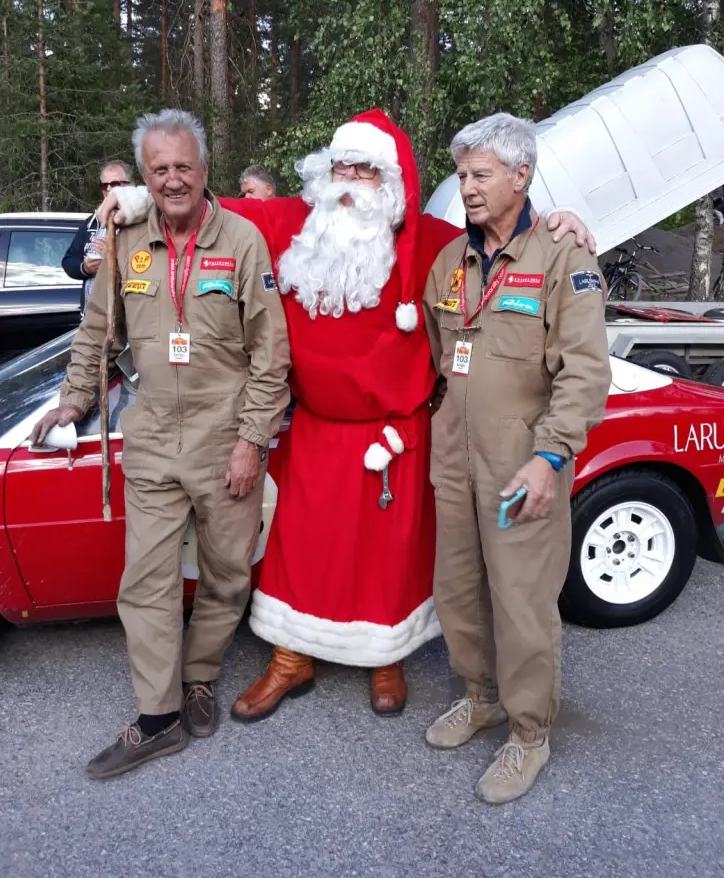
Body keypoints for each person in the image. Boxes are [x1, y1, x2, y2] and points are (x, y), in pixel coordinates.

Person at [103, 109, 595, 722]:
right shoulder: (293, 226)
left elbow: (505, 235)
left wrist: (558, 220)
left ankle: (384, 656)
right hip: (313, 427)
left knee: (386, 555)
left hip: (394, 435)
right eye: (341, 167)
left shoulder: (431, 242)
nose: (350, 181)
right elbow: (206, 204)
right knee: (301, 548)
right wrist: (129, 198)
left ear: (391, 183)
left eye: (367, 170)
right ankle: (291, 656)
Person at [32, 109, 290, 779]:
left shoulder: (242, 241)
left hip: (224, 439)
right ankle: (157, 718)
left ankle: (199, 676)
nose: (173, 180)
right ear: (145, 175)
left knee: (226, 575)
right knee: (144, 582)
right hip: (150, 442)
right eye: (159, 169)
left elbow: (270, 353)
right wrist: (75, 399)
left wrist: (251, 440)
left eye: (184, 167)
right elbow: (98, 331)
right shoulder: (126, 241)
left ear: (205, 172)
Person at [423, 113, 611, 805]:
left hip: (522, 468)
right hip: (454, 462)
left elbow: (586, 373)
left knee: (524, 604)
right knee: (460, 592)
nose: (467, 188)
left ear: (521, 175)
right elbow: (435, 357)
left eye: (481, 175)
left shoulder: (563, 255)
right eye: (463, 175)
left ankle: (529, 733)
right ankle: (481, 696)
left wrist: (550, 457)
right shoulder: (450, 263)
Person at [62, 160, 133, 315]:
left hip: (127, 320)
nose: (108, 189)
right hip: (91, 318)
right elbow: (68, 260)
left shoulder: (141, 222)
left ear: (130, 186)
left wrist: (113, 258)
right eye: (104, 185)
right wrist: (85, 268)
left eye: (114, 184)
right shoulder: (92, 223)